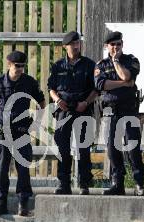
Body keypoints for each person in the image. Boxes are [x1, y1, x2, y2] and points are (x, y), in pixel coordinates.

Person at [0, 50, 45, 216]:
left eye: (23, 66)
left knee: (23, 169)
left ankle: (23, 204)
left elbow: (42, 101)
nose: (20, 69)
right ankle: (0, 204)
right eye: (17, 66)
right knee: (1, 169)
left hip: (21, 131)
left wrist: (37, 122)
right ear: (9, 65)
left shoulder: (29, 82)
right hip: (3, 131)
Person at [95, 31, 144, 196]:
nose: (115, 47)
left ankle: (139, 183)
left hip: (129, 109)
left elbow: (127, 75)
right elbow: (102, 85)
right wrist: (124, 83)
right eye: (112, 44)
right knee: (112, 148)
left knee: (133, 147)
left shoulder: (131, 60)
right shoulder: (101, 65)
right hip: (110, 110)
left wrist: (117, 61)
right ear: (107, 46)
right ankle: (118, 183)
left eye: (118, 44)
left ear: (122, 44)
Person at [48, 31, 97, 195]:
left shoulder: (89, 65)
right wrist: (57, 100)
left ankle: (84, 183)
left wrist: (86, 102)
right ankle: (63, 183)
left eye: (78, 43)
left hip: (82, 109)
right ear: (65, 46)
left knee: (83, 148)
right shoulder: (57, 66)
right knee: (63, 148)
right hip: (63, 110)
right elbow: (51, 89)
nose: (76, 46)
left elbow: (96, 89)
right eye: (73, 44)